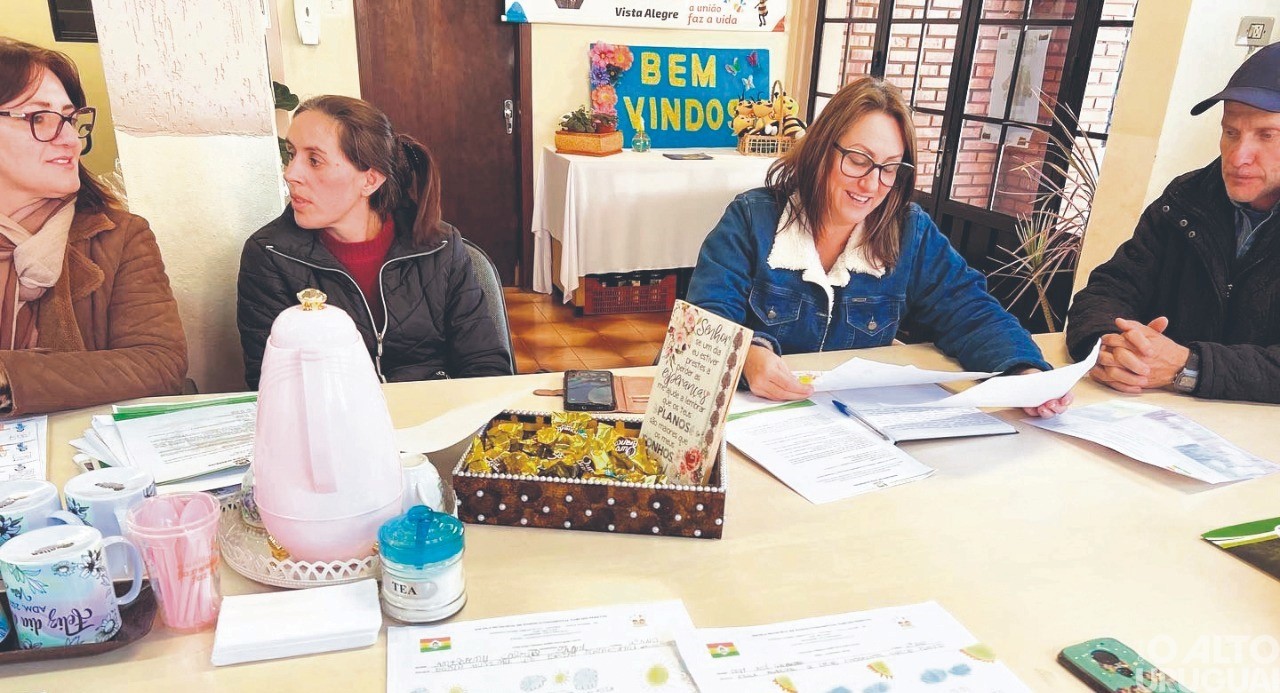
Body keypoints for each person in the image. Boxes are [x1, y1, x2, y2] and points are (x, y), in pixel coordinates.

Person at [687, 77, 1070, 417]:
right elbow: (705, 323)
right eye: (859, 160)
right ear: (821, 149)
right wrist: (749, 357)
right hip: (757, 422)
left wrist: (1025, 371)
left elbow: (969, 310)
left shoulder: (908, 231)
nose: (871, 185)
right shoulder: (752, 220)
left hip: (853, 426)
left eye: (889, 168)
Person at [237, 95, 512, 387]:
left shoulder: (440, 246)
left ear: (370, 180)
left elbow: (485, 369)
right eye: (292, 154)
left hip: (436, 418)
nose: (290, 173)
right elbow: (273, 386)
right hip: (333, 425)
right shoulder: (269, 254)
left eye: (314, 160)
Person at [1066, 43, 1280, 404]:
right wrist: (1106, 344)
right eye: (1230, 132)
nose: (1239, 156)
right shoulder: (1188, 197)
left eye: (1267, 135)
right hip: (1156, 422)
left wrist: (1190, 365)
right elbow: (1108, 289)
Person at [0, 38, 187, 416]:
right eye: (40, 118)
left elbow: (159, 364)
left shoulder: (117, 236)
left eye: (69, 118)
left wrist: (9, 378)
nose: (70, 139)